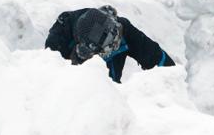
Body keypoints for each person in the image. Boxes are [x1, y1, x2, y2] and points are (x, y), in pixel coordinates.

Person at [45, 5, 174, 83]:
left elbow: (157, 58)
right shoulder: (57, 45)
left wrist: (172, 82)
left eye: (117, 37)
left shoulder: (119, 27)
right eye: (111, 46)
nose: (118, 42)